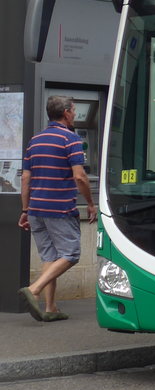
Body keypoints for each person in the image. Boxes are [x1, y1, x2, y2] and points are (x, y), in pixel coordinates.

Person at [17, 96, 96, 322]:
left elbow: (25, 179)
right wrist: (90, 204)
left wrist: (25, 210)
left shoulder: (35, 141)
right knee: (70, 254)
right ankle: (34, 289)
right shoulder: (70, 139)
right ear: (66, 113)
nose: (75, 115)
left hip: (35, 210)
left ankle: (51, 308)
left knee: (50, 256)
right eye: (74, 111)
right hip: (59, 209)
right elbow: (80, 176)